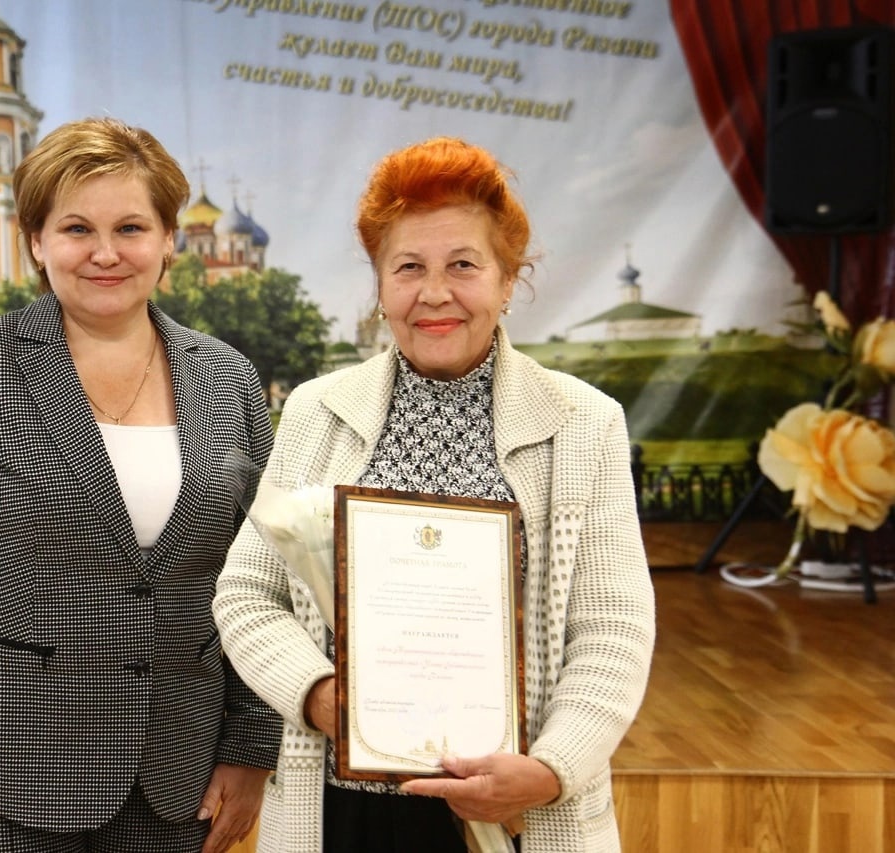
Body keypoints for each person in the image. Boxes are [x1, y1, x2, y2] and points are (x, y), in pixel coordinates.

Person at [212, 136, 656, 853]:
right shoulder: (316, 413)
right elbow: (246, 596)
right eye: (408, 267)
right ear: (381, 284)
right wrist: (323, 698)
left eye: (464, 266)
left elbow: (612, 632)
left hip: (520, 817)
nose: (435, 292)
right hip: (339, 815)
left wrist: (548, 770)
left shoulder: (584, 423)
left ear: (508, 280)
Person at [0, 116, 281, 853]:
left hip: (177, 773)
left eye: (130, 226)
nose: (104, 252)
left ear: (167, 240)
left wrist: (250, 743)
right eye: (75, 228)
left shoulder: (229, 379)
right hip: (10, 769)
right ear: (36, 240)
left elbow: (261, 573)